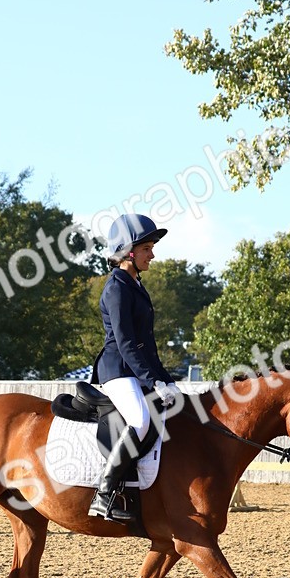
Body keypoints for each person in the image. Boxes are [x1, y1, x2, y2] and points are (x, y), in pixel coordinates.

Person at [88, 213, 180, 523]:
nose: (152, 254)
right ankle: (104, 494)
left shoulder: (135, 284)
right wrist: (152, 380)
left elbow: (147, 345)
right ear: (129, 251)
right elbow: (127, 343)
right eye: (147, 249)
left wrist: (167, 380)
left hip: (134, 369)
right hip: (116, 369)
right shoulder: (117, 288)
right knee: (140, 420)